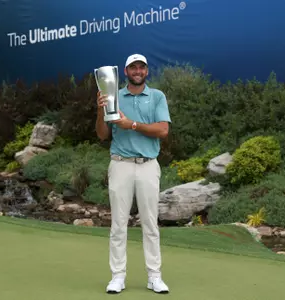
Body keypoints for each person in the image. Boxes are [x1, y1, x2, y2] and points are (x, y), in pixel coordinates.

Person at [95, 54, 171, 294]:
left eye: (142, 67)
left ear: (146, 71)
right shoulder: (113, 95)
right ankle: (117, 276)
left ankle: (154, 276)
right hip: (121, 164)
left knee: (150, 223)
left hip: (148, 165)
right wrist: (100, 110)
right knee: (118, 223)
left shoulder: (157, 96)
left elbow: (163, 130)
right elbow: (102, 135)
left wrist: (133, 125)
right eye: (133, 67)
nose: (137, 71)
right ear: (126, 72)